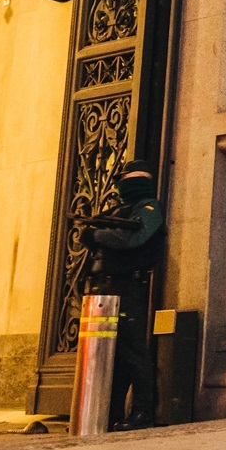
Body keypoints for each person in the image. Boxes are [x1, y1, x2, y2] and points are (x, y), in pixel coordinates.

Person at [76, 159, 164, 430]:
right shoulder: (120, 210)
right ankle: (110, 412)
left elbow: (132, 240)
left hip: (128, 288)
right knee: (111, 356)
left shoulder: (149, 209)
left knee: (133, 353)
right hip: (106, 288)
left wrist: (98, 235)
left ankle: (142, 413)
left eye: (124, 179)